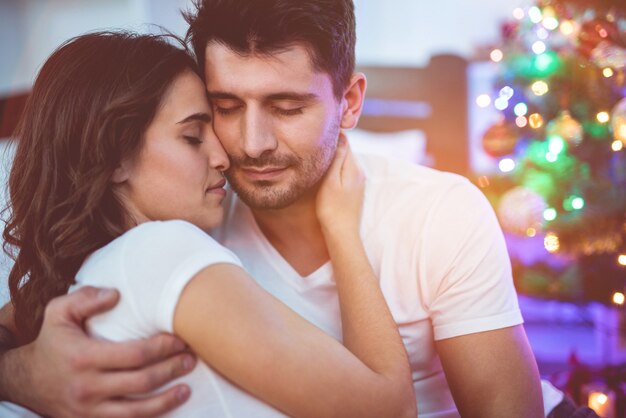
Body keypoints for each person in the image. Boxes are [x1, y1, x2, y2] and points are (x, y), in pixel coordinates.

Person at [0, 1, 544, 417]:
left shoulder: (438, 214)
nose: (249, 144)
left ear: (349, 102)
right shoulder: (190, 209)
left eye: (286, 107)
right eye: (224, 108)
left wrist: (342, 228)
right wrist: (22, 374)